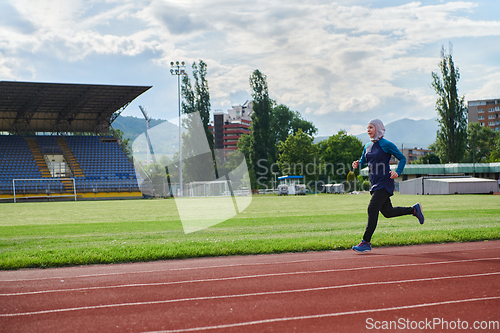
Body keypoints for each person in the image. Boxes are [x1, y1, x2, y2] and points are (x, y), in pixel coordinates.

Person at [351, 119, 425, 253]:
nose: (368, 130)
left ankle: (366, 241)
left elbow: (402, 158)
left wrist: (398, 172)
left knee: (372, 208)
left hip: (385, 182)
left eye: (371, 127)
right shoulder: (367, 146)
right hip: (374, 183)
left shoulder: (386, 144)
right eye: (367, 127)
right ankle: (414, 210)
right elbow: (363, 161)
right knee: (388, 212)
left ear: (378, 128)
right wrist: (357, 163)